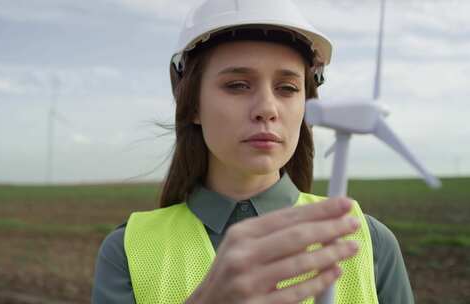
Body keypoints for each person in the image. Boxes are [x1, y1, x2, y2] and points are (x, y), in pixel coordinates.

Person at [92, 0, 414, 303]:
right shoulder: (127, 252)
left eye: (287, 88)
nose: (267, 109)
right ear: (192, 105)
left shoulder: (370, 243)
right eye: (237, 85)